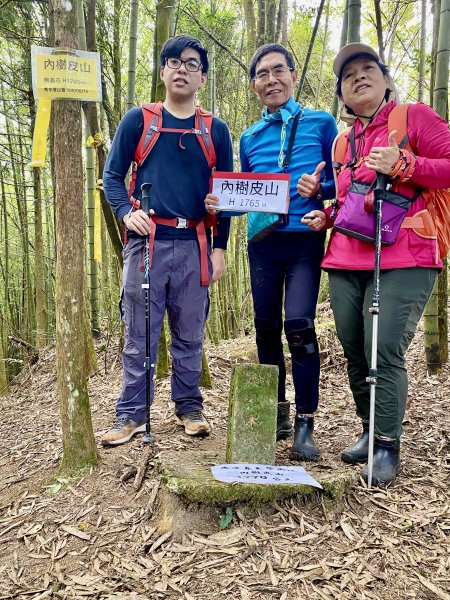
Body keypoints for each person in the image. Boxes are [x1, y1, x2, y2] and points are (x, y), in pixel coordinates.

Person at [303, 43, 450, 486]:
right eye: (349, 75)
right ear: (342, 95)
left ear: (386, 79)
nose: (359, 76)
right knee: (353, 348)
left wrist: (406, 162)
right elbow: (351, 201)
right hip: (347, 255)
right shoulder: (342, 141)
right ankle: (368, 431)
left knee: (383, 348)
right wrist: (324, 213)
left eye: (368, 69)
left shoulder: (414, 118)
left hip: (406, 253)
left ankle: (387, 444)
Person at [207, 43, 337, 461]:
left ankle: (305, 423)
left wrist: (322, 192)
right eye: (262, 75)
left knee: (298, 324)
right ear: (253, 85)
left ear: (293, 75)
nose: (271, 80)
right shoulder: (249, 136)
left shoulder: (321, 123)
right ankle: (276, 412)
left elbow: (343, 183)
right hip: (262, 245)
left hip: (305, 241)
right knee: (264, 327)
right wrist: (220, 208)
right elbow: (244, 192)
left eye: (278, 71)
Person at [102, 35, 233, 445]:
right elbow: (112, 177)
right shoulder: (138, 121)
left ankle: (189, 408)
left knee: (191, 332)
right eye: (174, 62)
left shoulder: (216, 130)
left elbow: (226, 194)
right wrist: (127, 212)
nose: (182, 69)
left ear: (203, 78)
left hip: (195, 240)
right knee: (139, 331)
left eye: (192, 64)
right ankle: (132, 414)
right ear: (162, 72)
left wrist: (220, 248)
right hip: (147, 242)